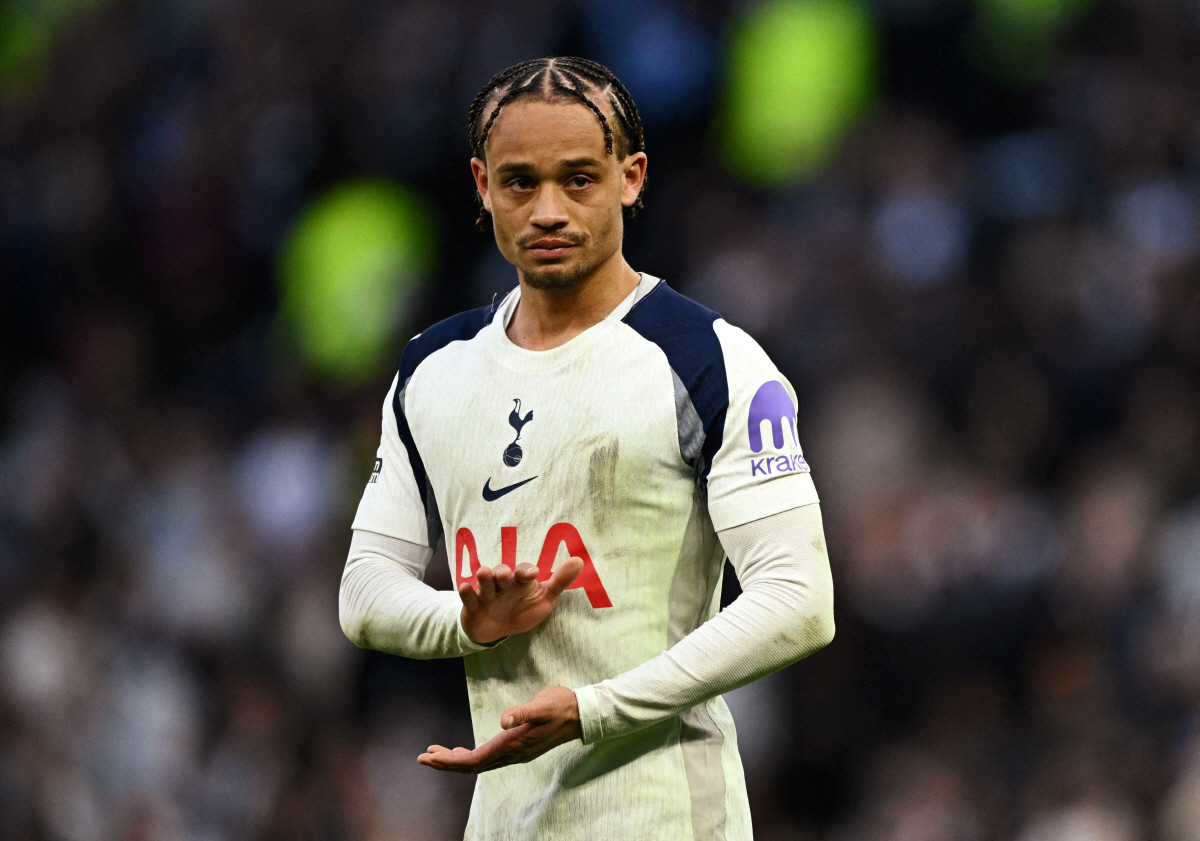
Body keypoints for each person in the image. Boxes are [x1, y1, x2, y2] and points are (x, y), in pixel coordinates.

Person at [339, 56, 835, 841]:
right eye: (519, 182)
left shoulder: (712, 358)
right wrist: (468, 623)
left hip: (667, 818)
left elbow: (799, 599)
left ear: (630, 178)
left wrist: (593, 710)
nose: (547, 210)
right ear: (481, 186)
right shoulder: (431, 369)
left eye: (578, 179)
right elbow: (364, 590)